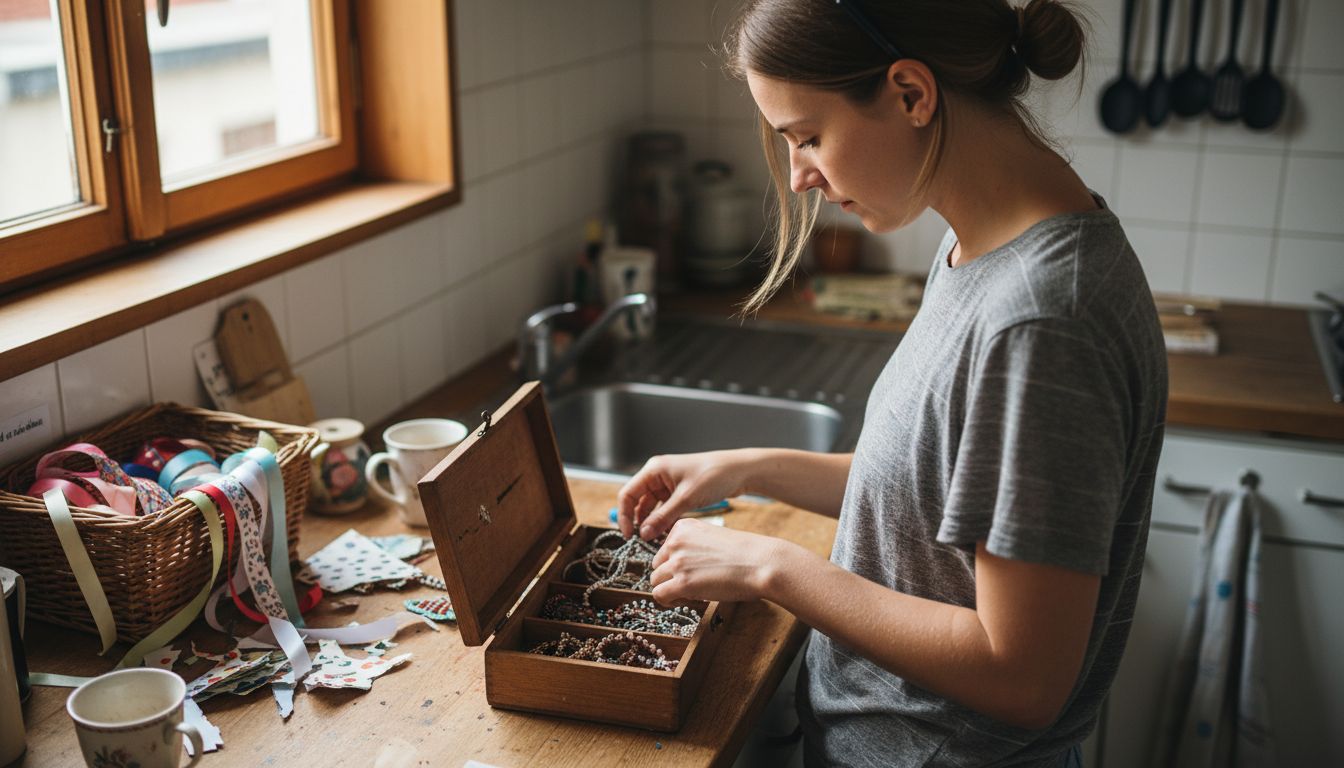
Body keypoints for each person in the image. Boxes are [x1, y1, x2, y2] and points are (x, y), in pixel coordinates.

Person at [615, 1, 1168, 765]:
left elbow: (1022, 676)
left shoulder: (1044, 322)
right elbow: (939, 496)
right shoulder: (979, 245)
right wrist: (749, 468)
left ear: (911, 93)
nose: (801, 176)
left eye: (808, 137)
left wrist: (773, 566)